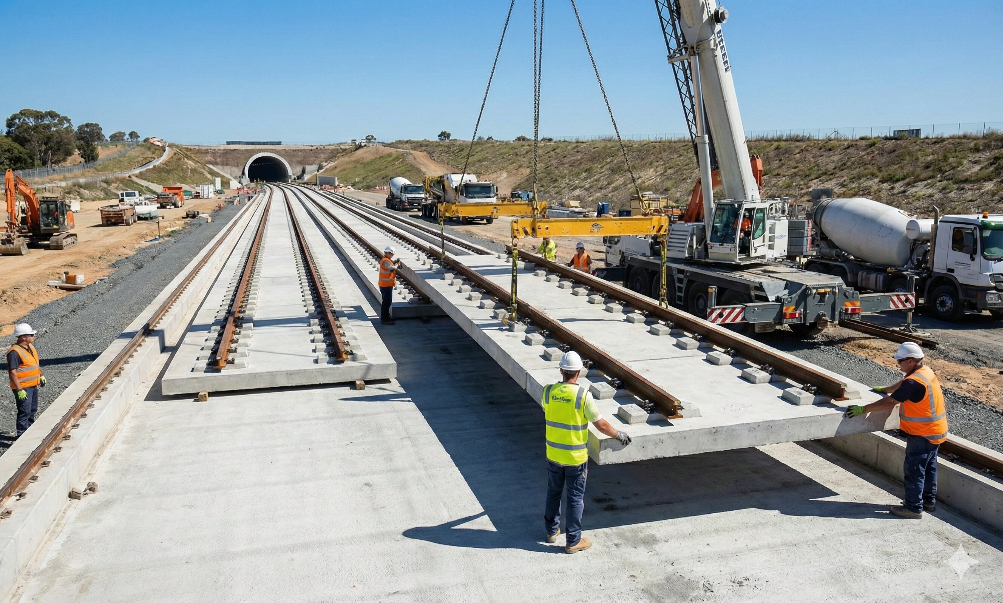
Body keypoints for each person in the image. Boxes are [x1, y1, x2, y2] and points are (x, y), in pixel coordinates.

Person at [845, 342, 947, 519]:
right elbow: (903, 383)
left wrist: (864, 409)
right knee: (929, 467)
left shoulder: (914, 382)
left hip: (921, 433)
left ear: (910, 361)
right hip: (935, 430)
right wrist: (886, 389)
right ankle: (928, 501)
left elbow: (890, 402)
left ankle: (913, 508)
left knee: (914, 470)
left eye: (900, 361)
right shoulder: (924, 372)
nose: (898, 365)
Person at [543, 351, 631, 553]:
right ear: (579, 372)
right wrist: (618, 435)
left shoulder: (548, 392)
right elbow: (600, 424)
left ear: (561, 370)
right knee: (575, 498)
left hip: (554, 454)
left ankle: (551, 531)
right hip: (575, 459)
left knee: (553, 493)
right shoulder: (583, 396)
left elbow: (549, 411)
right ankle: (573, 541)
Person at [8, 323, 45, 438]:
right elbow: (12, 372)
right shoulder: (14, 352)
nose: (34, 335)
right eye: (31, 334)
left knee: (32, 409)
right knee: (25, 411)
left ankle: (30, 432)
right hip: (23, 387)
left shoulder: (30, 348)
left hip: (33, 385)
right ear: (23, 337)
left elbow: (33, 364)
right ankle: (22, 435)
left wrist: (41, 375)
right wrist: (19, 389)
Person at [378, 246, 399, 325]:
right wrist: (396, 265)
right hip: (385, 285)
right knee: (386, 302)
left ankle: (387, 316)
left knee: (388, 301)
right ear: (386, 253)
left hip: (387, 285)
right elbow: (391, 268)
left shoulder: (388, 260)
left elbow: (391, 265)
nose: (391, 255)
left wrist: (395, 262)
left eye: (392, 254)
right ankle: (385, 318)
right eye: (389, 253)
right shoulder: (385, 261)